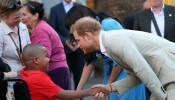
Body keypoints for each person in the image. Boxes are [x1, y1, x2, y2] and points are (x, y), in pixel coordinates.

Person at [71, 16, 175, 100]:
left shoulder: (113, 41)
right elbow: (137, 76)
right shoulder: (109, 43)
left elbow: (142, 69)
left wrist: (162, 97)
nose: (78, 45)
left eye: (78, 40)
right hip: (166, 75)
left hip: (170, 74)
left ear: (87, 35)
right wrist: (110, 88)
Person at [65, 5, 146, 100]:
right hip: (111, 72)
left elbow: (119, 62)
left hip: (125, 72)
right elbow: (90, 62)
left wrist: (107, 87)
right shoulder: (91, 32)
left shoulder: (107, 24)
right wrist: (78, 92)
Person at [19, 43, 105, 100]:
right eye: (46, 56)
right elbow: (64, 94)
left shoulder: (23, 72)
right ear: (36, 60)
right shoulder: (38, 77)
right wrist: (91, 91)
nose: (49, 59)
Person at [21, 1, 71, 90]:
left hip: (55, 71)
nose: (22, 18)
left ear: (35, 16)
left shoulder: (40, 30)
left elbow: (44, 55)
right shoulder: (40, 27)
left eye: (24, 15)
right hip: (57, 69)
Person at [49, 0, 84, 89]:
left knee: (80, 79)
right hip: (63, 50)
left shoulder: (79, 7)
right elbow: (52, 29)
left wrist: (78, 41)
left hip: (79, 49)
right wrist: (65, 41)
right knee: (65, 80)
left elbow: (84, 24)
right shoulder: (55, 9)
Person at [0, 0, 30, 99]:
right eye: (16, 18)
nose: (20, 20)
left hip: (25, 77)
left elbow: (29, 48)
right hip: (9, 81)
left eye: (21, 16)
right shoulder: (1, 32)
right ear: (3, 16)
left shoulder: (23, 27)